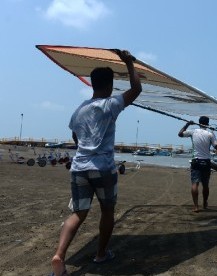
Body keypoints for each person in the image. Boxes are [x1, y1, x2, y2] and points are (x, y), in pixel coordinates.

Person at [51, 50, 142, 276]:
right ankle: (101, 254)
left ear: (92, 85)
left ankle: (59, 256)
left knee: (78, 214)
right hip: (102, 168)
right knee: (107, 211)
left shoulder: (79, 110)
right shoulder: (109, 104)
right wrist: (130, 63)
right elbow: (137, 89)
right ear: (109, 86)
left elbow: (75, 138)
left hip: (79, 168)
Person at [178, 116, 217, 212]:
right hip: (206, 162)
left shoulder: (193, 131)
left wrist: (187, 124)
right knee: (205, 185)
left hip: (196, 161)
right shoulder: (210, 133)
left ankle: (196, 206)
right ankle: (205, 204)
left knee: (195, 184)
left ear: (199, 123)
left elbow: (180, 134)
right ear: (207, 124)